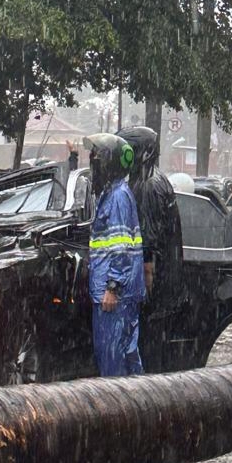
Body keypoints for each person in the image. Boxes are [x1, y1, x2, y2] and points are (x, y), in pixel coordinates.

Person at [115, 126, 184, 372]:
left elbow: (148, 246)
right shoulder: (145, 179)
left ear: (140, 153)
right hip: (157, 288)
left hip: (154, 291)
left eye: (124, 151)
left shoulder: (149, 185)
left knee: (148, 355)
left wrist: (142, 293)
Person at [84, 133, 146, 377]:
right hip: (124, 293)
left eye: (97, 159)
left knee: (112, 361)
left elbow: (120, 249)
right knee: (128, 357)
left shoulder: (118, 196)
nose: (94, 165)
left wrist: (112, 287)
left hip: (114, 296)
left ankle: (116, 413)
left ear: (110, 164)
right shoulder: (115, 193)